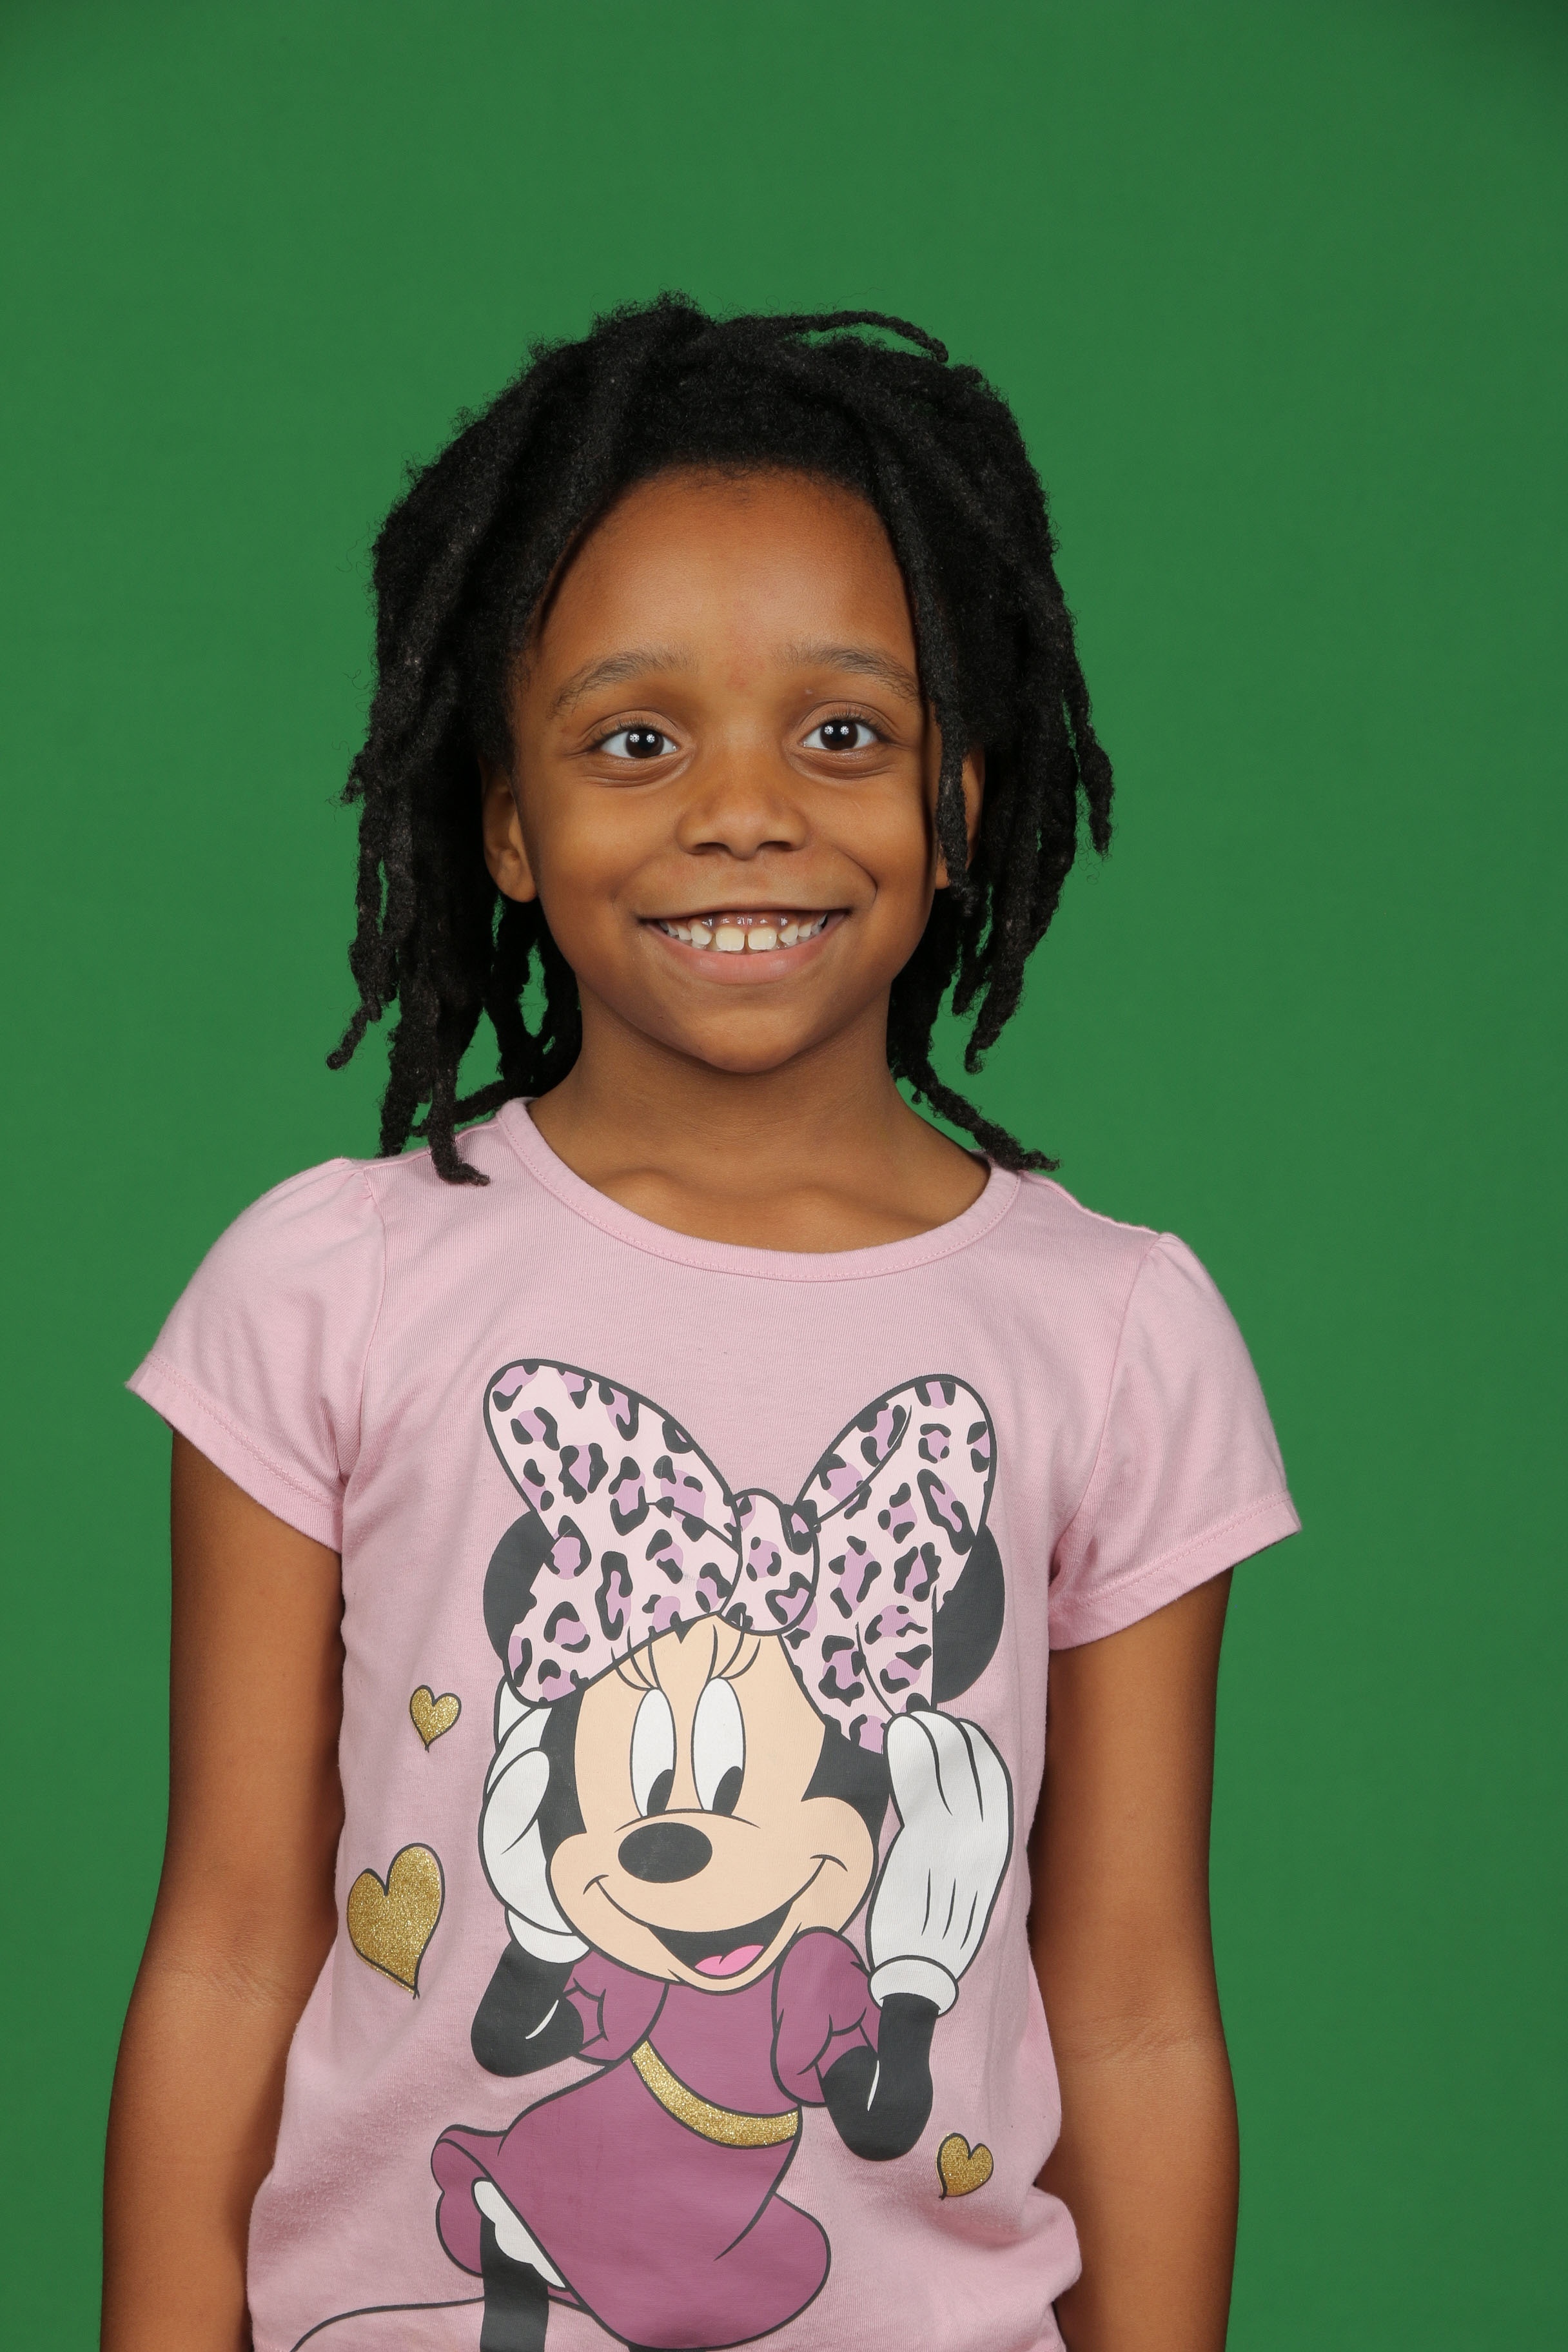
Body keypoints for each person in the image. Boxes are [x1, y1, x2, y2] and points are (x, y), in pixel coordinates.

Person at [103, 297, 1298, 2352]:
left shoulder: (1116, 1333)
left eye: (844, 734)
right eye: (636, 740)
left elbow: (1130, 2005)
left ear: (959, 797)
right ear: (506, 818)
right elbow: (226, 1939)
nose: (743, 809)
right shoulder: (328, 1287)